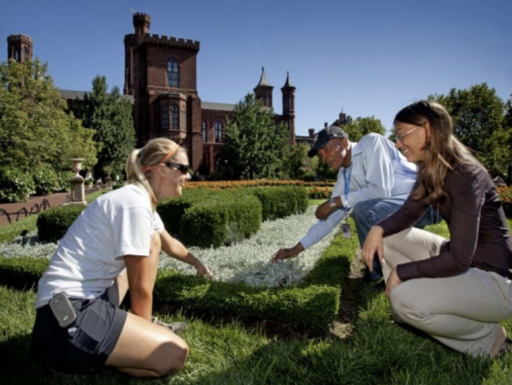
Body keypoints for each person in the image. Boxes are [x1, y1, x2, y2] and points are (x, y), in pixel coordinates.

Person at [31, 138, 214, 378]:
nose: (188, 176)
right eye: (183, 168)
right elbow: (139, 289)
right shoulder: (135, 205)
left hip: (70, 308)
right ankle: (78, 359)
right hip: (66, 320)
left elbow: (169, 244)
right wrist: (148, 332)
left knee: (153, 240)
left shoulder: (140, 200)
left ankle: (105, 348)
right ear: (161, 170)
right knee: (174, 353)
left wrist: (199, 265)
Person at [361, 100, 512, 358]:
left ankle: (490, 339)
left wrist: (401, 272)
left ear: (428, 130)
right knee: (386, 237)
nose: (397, 143)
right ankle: (412, 307)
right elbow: (409, 212)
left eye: (401, 135)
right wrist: (377, 228)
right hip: (465, 262)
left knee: (404, 299)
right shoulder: (431, 169)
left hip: (496, 282)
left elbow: (460, 259)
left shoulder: (466, 175)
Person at [271, 125, 437, 281]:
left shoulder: (372, 143)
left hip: (427, 202)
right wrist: (296, 249)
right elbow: (329, 220)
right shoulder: (344, 175)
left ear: (344, 142)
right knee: (364, 211)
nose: (325, 158)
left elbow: (380, 190)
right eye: (321, 155)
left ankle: (376, 276)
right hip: (402, 210)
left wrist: (334, 202)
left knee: (362, 211)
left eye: (327, 150)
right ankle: (402, 263)